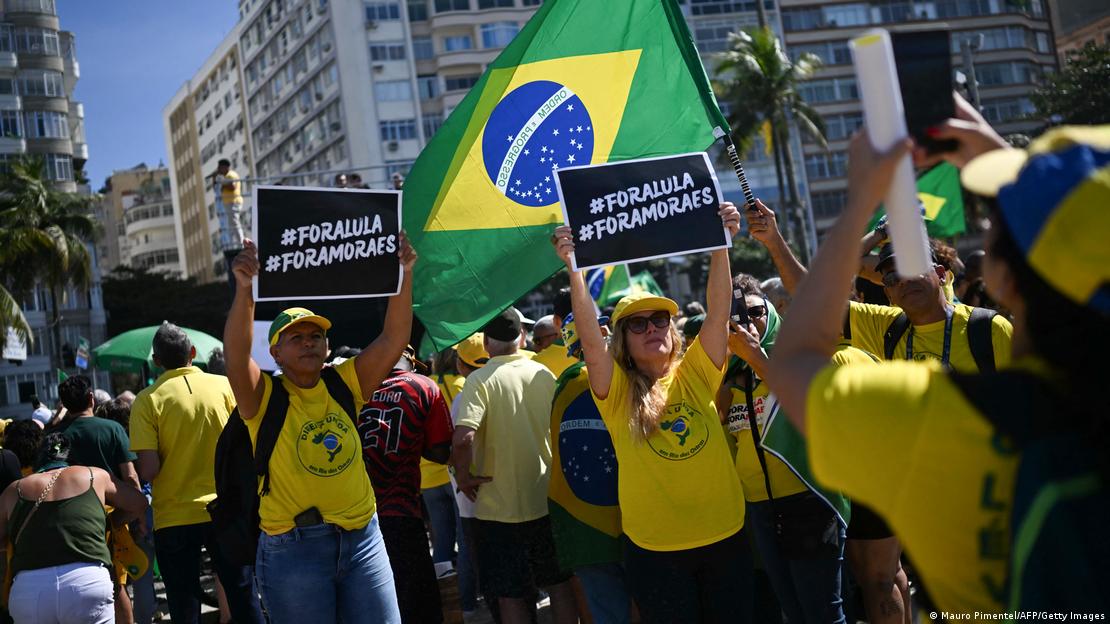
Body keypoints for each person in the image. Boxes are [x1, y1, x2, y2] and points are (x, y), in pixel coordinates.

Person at [766, 117, 1109, 614]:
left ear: (989, 279)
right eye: (889, 275)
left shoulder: (935, 414)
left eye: (910, 264)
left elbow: (793, 360)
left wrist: (860, 202)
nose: (899, 279)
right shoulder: (889, 328)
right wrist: (1010, 170)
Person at [552, 203, 752, 623]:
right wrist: (574, 268)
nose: (652, 329)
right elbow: (591, 345)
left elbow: (718, 315)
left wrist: (721, 245)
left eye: (659, 320)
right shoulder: (617, 392)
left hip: (726, 536)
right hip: (656, 551)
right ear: (622, 340)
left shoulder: (695, 373)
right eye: (637, 324)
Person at [225, 235, 417, 624]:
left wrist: (404, 274)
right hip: (294, 551)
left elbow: (394, 338)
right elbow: (236, 356)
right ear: (275, 353)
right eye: (295, 338)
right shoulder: (263, 397)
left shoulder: (345, 383)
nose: (308, 343)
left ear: (328, 347)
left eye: (316, 336)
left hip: (363, 541)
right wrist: (245, 290)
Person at [720, 275, 847, 624]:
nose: (749, 322)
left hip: (808, 500)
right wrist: (727, 364)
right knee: (792, 610)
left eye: (756, 312)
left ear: (773, 312)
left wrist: (756, 357)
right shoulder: (731, 373)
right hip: (760, 509)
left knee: (822, 613)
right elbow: (719, 420)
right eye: (737, 318)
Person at [129, 322, 263, 624]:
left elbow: (149, 469)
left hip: (174, 517)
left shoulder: (147, 400)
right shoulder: (225, 386)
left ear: (156, 361)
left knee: (183, 604)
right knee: (243, 595)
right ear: (192, 352)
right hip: (227, 508)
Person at [451, 309, 576, 624]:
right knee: (559, 584)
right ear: (522, 337)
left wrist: (464, 478)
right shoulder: (543, 373)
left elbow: (463, 438)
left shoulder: (478, 380)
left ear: (487, 343)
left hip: (497, 508)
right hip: (545, 497)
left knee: (511, 593)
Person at [1, 433, 148, 624]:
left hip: (30, 589)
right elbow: (139, 503)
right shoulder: (94, 475)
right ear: (73, 458)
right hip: (87, 582)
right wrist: (109, 522)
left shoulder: (14, 490)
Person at [547, 312, 633, 624]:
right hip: (629, 519)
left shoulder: (564, 384)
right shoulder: (623, 376)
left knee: (607, 609)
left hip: (581, 522)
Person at [358, 346, 454, 624]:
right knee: (418, 605)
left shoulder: (355, 388)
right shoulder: (424, 386)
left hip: (357, 515)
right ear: (411, 362)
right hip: (402, 513)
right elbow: (440, 452)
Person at [53, 375, 143, 623]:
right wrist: (133, 517)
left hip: (70, 523)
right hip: (111, 520)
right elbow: (131, 478)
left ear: (64, 404)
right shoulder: (112, 429)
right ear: (91, 398)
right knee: (116, 585)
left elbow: (51, 474)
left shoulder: (58, 437)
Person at [530, 314, 576, 379]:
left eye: (538, 341)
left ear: (556, 334)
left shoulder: (536, 362)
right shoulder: (583, 353)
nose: (535, 347)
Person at [215, 158, 246, 248]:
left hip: (233, 202)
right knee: (231, 224)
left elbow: (232, 186)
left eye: (220, 167)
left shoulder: (230, 175)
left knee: (234, 223)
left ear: (225, 167)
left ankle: (241, 243)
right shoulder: (226, 176)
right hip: (229, 203)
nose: (219, 170)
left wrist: (223, 181)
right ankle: (236, 243)